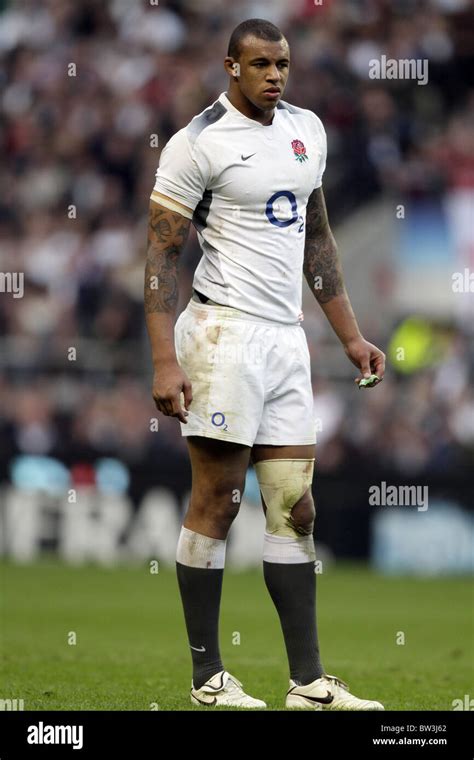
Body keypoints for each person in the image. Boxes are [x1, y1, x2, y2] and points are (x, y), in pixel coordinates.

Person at [144, 18, 385, 710]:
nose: (274, 74)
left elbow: (318, 238)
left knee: (296, 507)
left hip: (286, 341)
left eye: (282, 62)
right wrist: (165, 359)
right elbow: (161, 254)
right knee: (218, 502)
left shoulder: (307, 129)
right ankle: (207, 679)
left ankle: (307, 684)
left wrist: (349, 336)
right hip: (221, 334)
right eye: (259, 64)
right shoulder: (198, 144)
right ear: (230, 67)